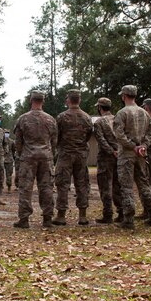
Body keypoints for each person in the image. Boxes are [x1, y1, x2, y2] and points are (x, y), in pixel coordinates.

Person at [113, 85, 151, 229]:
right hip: (140, 155)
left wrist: (132, 146)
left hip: (126, 155)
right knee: (144, 185)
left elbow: (119, 134)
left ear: (124, 96)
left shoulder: (122, 113)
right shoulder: (144, 113)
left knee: (126, 187)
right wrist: (143, 145)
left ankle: (128, 219)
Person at [13, 90, 57, 228]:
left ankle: (24, 219)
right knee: (47, 187)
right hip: (46, 157)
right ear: (42, 101)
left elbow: (18, 142)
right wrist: (50, 153)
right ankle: (48, 218)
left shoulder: (23, 119)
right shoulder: (50, 119)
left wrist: (22, 154)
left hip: (28, 157)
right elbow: (54, 141)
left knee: (25, 188)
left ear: (30, 100)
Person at [53, 89, 93, 226]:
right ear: (79, 100)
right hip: (81, 154)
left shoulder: (62, 117)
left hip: (65, 154)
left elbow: (56, 136)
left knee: (63, 184)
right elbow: (88, 135)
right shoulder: (87, 117)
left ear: (68, 100)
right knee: (81, 184)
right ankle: (82, 216)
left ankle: (61, 215)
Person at [93, 97, 121, 224]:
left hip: (106, 158)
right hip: (120, 156)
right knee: (118, 185)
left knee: (105, 186)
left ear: (99, 107)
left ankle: (108, 214)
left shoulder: (99, 122)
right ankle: (121, 212)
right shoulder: (117, 119)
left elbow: (101, 140)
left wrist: (111, 151)